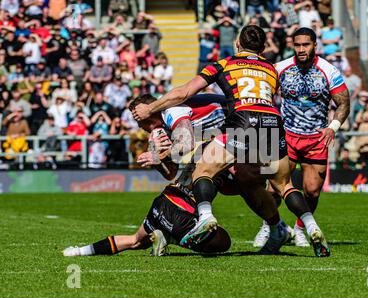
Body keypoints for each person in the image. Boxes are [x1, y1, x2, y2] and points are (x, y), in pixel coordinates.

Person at [132, 26, 330, 256]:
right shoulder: (272, 69)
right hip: (272, 123)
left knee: (203, 171)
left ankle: (205, 218)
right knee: (284, 186)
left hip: (243, 121)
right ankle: (311, 228)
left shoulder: (224, 64)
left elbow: (184, 92)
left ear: (238, 44)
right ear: (263, 49)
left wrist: (150, 108)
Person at [262, 27, 349, 250]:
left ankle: (300, 229)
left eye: (306, 45)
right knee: (273, 188)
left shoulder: (329, 71)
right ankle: (270, 227)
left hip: (316, 139)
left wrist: (333, 127)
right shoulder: (280, 68)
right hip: (287, 136)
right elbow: (263, 95)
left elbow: (344, 103)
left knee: (312, 190)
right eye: (297, 45)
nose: (301, 49)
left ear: (314, 45)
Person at [63, 183, 232, 257]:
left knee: (136, 241)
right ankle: (170, 237)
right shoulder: (221, 152)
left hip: (162, 201)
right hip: (180, 211)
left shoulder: (186, 141)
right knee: (223, 241)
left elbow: (169, 172)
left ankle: (79, 251)